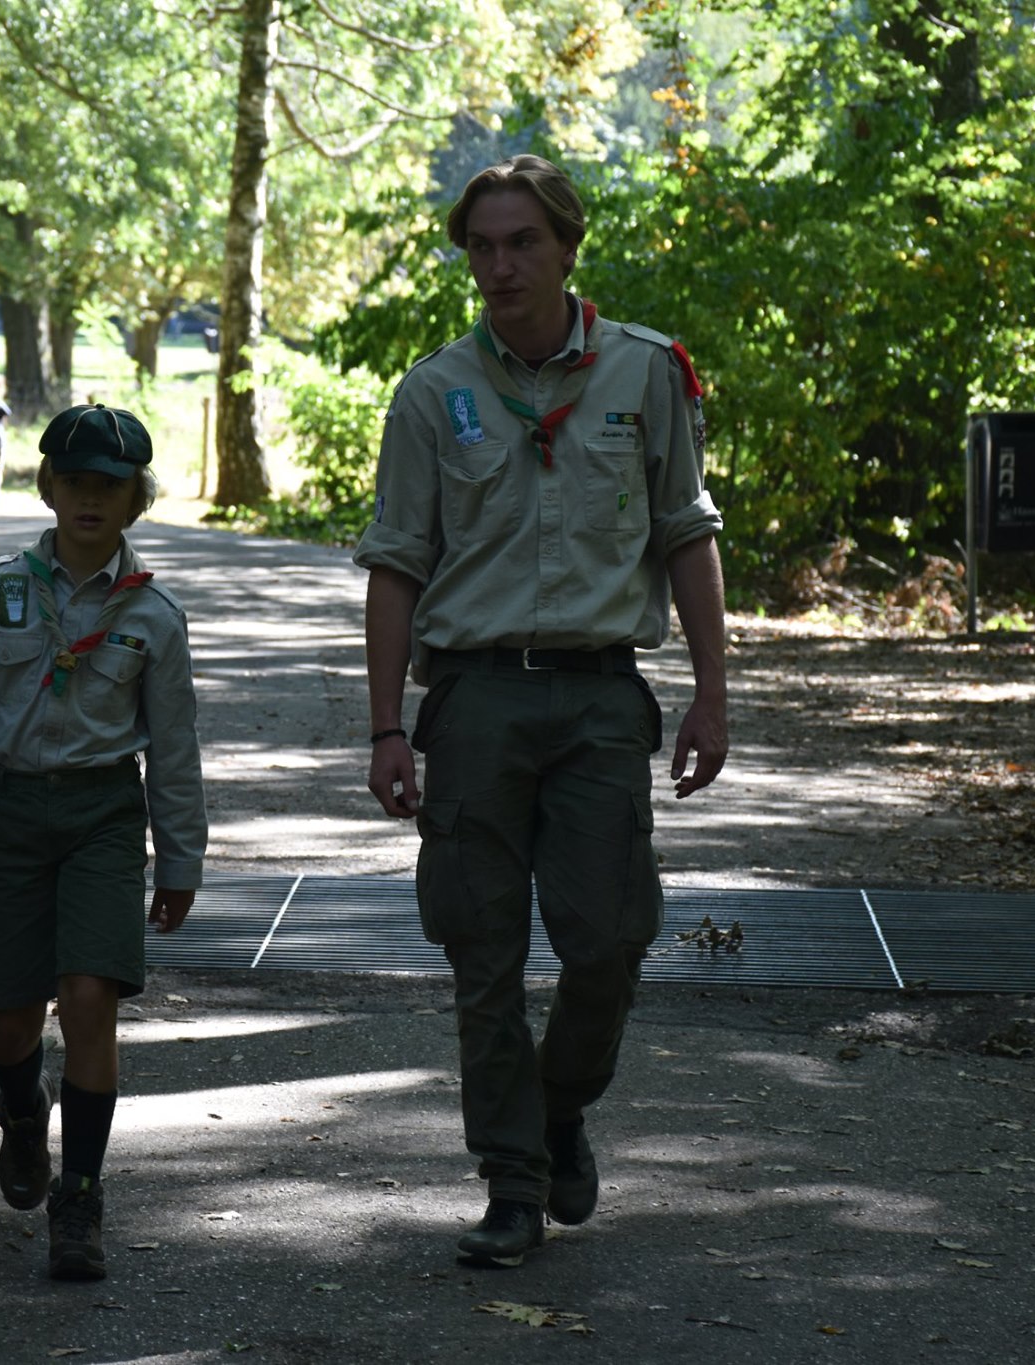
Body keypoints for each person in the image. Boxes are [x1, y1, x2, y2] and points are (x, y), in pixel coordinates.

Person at [354, 154, 728, 1269]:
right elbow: (394, 564)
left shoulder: (645, 372)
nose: (499, 264)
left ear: (567, 246)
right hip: (472, 700)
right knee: (480, 950)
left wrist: (711, 694)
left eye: (520, 241)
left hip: (601, 695)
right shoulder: (433, 392)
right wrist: (384, 725)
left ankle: (559, 1110)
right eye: (480, 245)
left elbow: (685, 532)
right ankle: (510, 1180)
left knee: (608, 941)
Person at [0, 404, 206, 1283]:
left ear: (136, 500)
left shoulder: (155, 615)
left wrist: (181, 858)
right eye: (74, 482)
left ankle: (81, 1195)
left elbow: (175, 747)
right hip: (17, 812)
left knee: (90, 997)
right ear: (49, 487)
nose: (89, 499)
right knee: (12, 1016)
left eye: (109, 486)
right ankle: (23, 1110)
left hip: (107, 813)